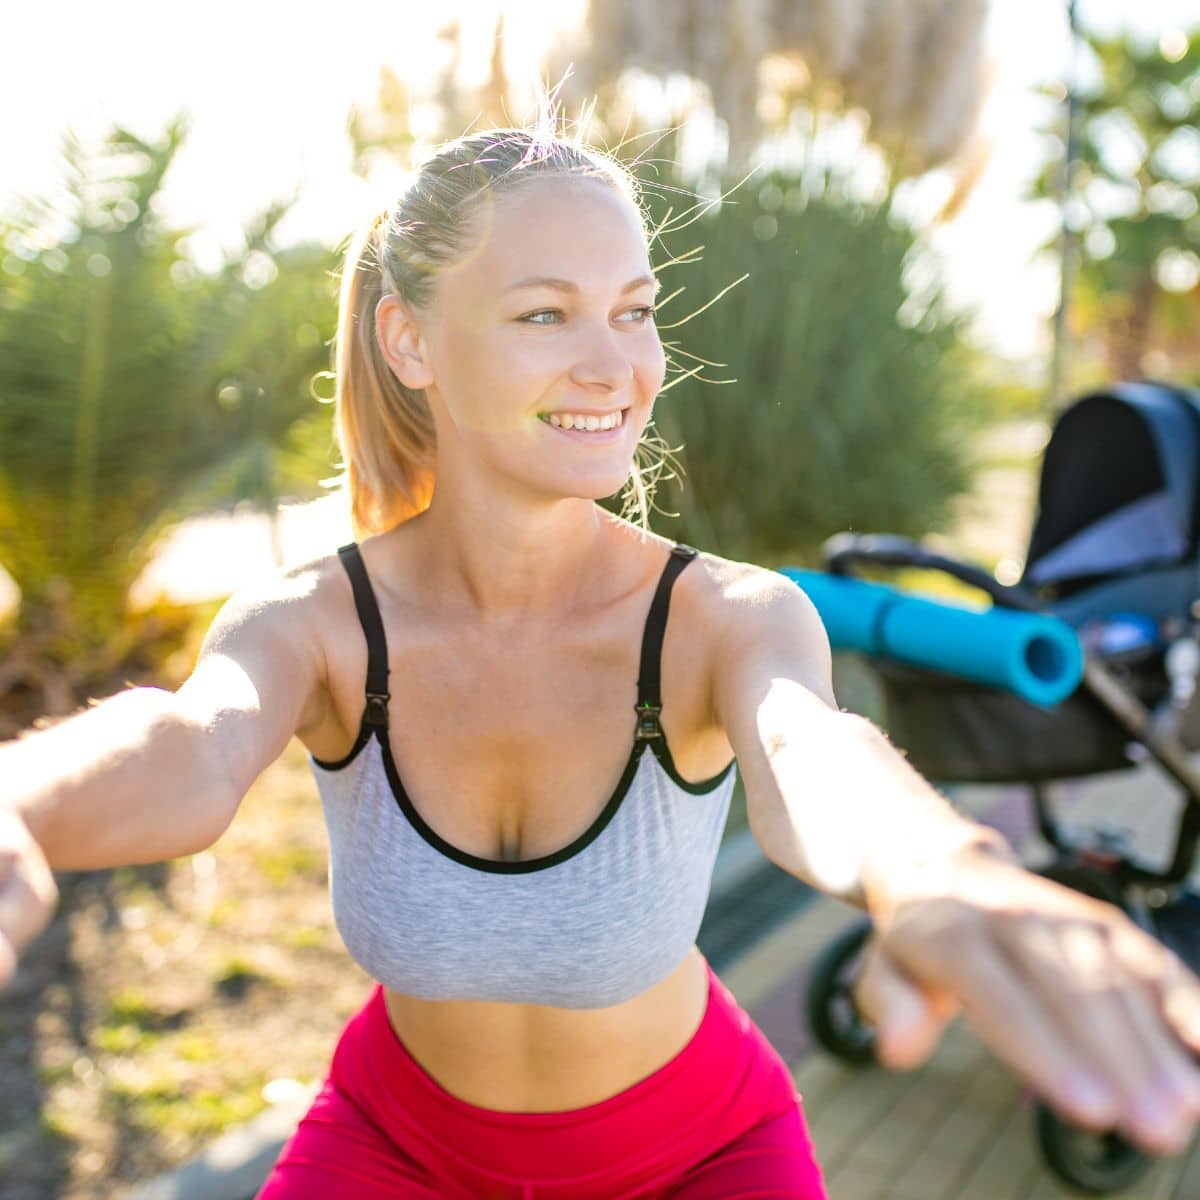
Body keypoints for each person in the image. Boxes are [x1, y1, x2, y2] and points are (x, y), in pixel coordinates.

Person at [2, 122, 1200, 1199]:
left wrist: (943, 869)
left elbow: (811, 754)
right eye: (544, 313)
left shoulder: (727, 614)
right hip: (398, 1145)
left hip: (699, 1152)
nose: (614, 365)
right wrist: (19, 802)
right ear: (410, 340)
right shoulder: (319, 621)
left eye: (634, 309)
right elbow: (193, 742)